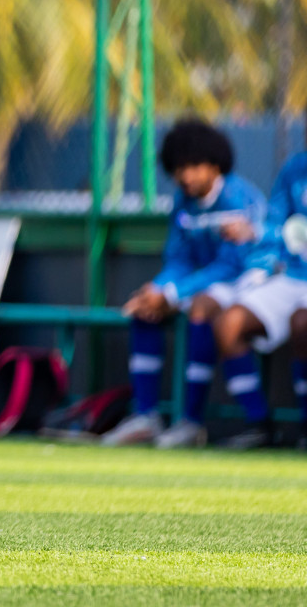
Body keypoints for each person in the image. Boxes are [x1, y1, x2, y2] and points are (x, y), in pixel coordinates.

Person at [102, 120, 264, 449]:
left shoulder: (238, 197)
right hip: (198, 282)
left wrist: (175, 293)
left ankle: (191, 422)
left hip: (245, 281)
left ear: (215, 165)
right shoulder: (182, 201)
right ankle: (146, 416)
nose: (185, 176)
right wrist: (159, 290)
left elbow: (230, 264)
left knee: (202, 307)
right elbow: (177, 257)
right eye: (178, 168)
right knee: (144, 307)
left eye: (193, 166)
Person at [210, 147, 307, 448]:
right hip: (292, 276)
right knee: (229, 323)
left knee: (302, 323)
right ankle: (259, 424)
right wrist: (253, 231)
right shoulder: (295, 167)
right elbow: (278, 224)